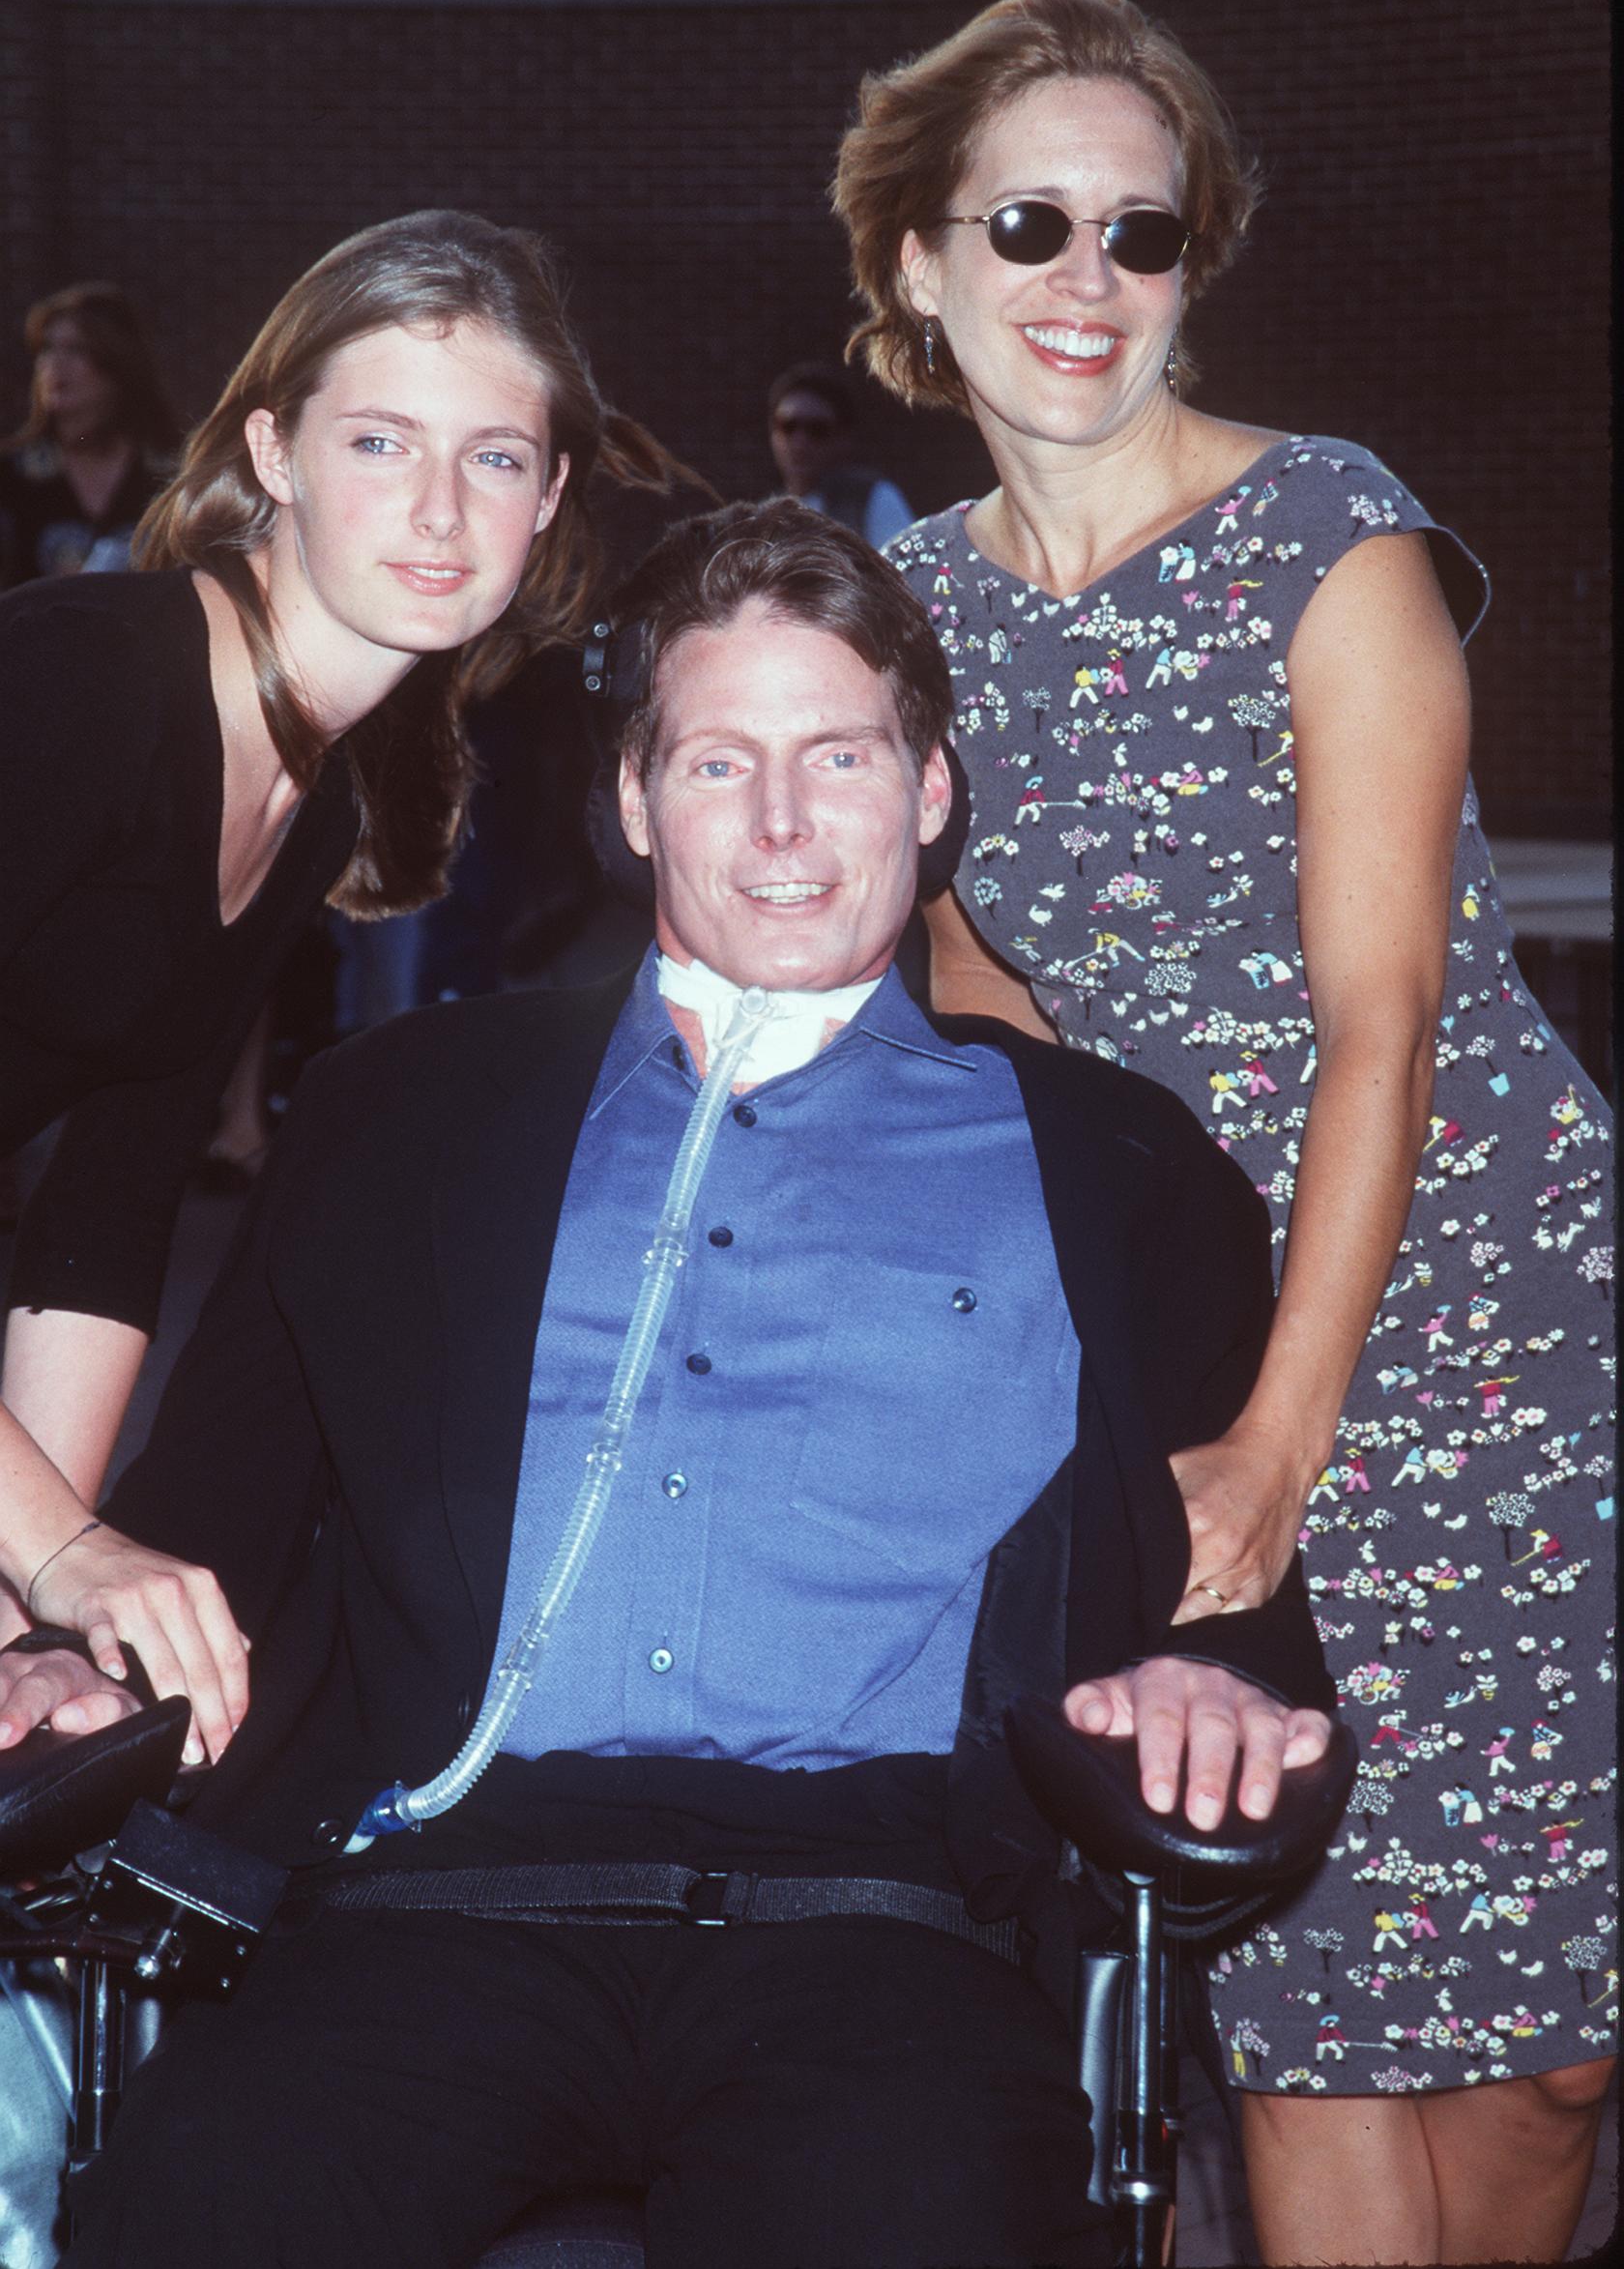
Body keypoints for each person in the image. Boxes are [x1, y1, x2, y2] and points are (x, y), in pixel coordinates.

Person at [0, 501, 1336, 2269]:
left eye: (838, 755)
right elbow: (206, 1518)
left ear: (930, 790)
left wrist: (1215, 1678)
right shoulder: (405, 1114)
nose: (781, 824)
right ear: (633, 806)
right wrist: (50, 1656)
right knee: (203, 2210)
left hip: (889, 1930)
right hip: (430, 1908)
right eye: (717, 762)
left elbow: (1235, 1576)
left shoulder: (1118, 1160)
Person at [831, 0, 1615, 2264]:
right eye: (1031, 225)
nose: (1088, 283)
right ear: (920, 263)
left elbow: (1391, 1024)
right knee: (1316, 2001)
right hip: (1195, 1334)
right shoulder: (911, 623)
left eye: (1143, 236)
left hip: (1487, 1326)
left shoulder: (1330, 536)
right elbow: (985, 1034)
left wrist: (1290, 1438)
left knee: (1555, 2043)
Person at [0, 209, 683, 1769]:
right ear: (277, 450)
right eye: (382, 440)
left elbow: (103, 1216)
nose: (442, 507)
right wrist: (56, 1552)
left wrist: (38, 1617)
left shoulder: (311, 798)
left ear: (553, 493)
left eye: (497, 457)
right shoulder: (87, 678)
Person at [0, 282, 181, 589]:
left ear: (117, 363)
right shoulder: (12, 474)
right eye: (47, 348)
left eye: (75, 349)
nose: (55, 364)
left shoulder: (169, 472)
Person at [767, 358, 914, 546]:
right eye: (788, 426)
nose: (800, 442)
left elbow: (904, 572)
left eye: (817, 430)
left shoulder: (873, 498)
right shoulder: (768, 514)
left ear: (843, 438)